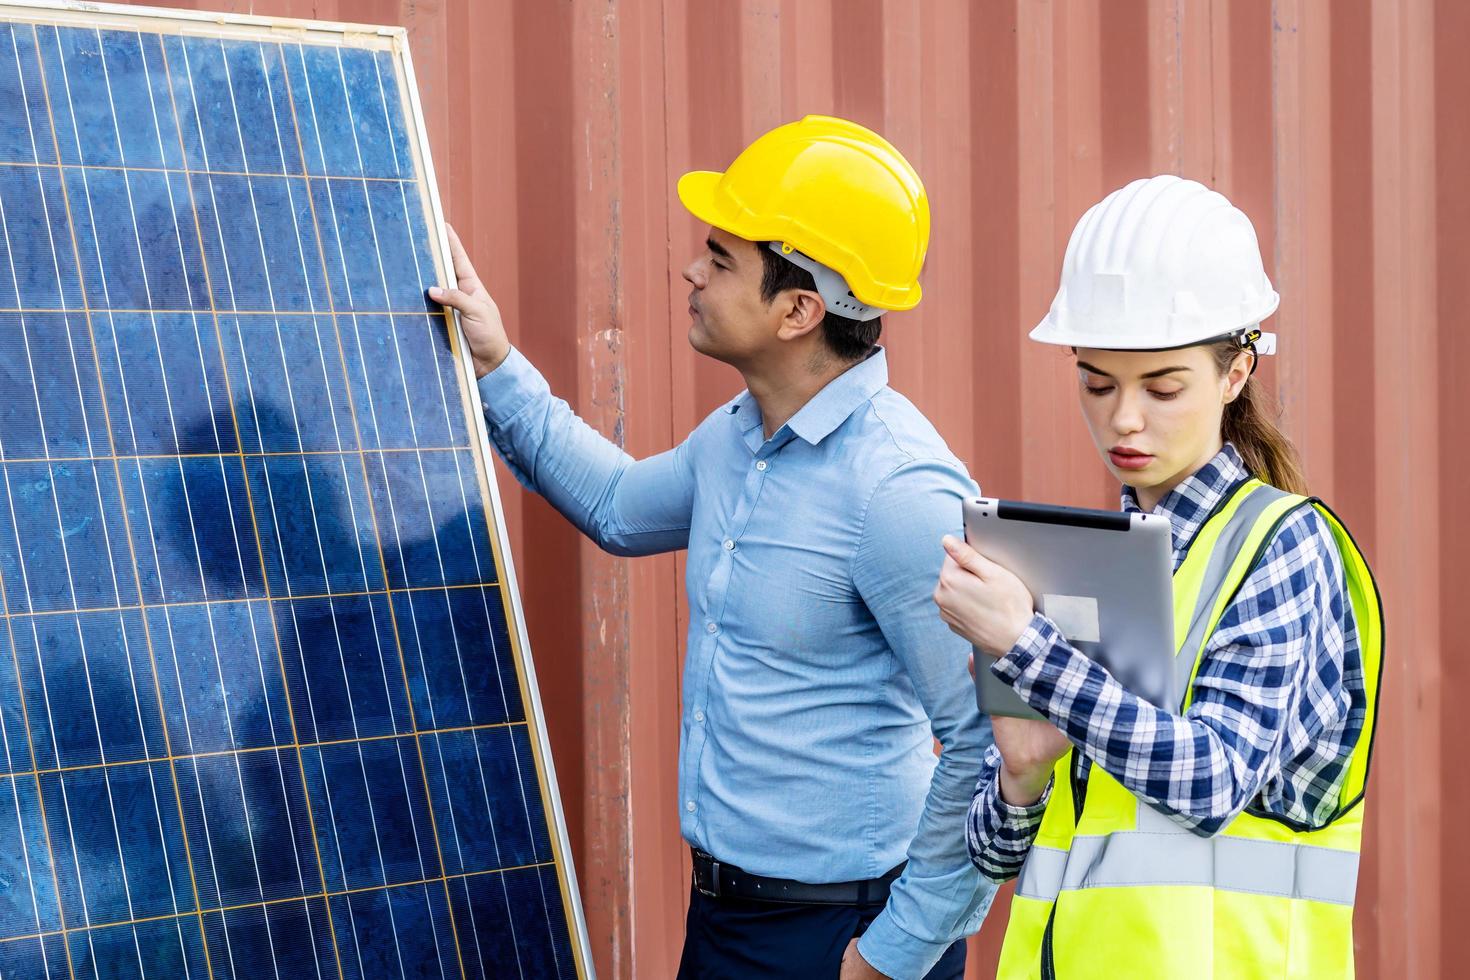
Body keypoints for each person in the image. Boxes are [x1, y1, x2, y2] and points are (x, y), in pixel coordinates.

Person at [429, 115, 994, 979]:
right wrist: (495, 358)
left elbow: (987, 746)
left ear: (799, 309)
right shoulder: (736, 438)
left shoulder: (902, 492)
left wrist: (894, 957)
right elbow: (618, 506)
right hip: (726, 923)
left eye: (722, 259)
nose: (692, 270)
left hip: (841, 937)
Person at [933, 175, 1383, 978]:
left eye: (1163, 387)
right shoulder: (1087, 562)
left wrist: (1028, 649)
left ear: (1236, 374)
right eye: (1097, 383)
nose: (1124, 419)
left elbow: (1211, 784)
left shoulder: (1283, 548)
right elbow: (998, 861)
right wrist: (1022, 778)